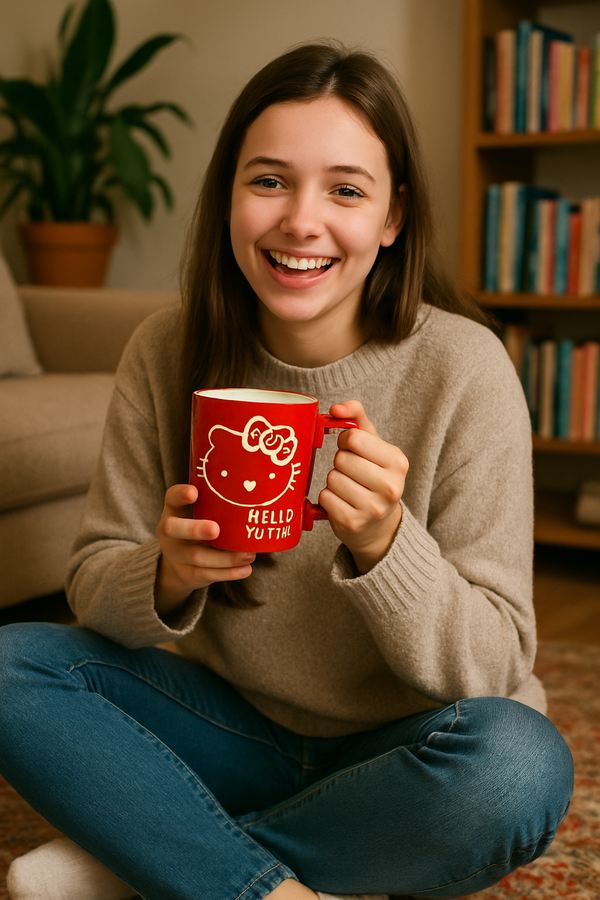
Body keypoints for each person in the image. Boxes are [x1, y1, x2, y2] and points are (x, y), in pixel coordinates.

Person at [0, 41, 573, 900]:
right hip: (225, 732)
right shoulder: (165, 349)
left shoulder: (465, 366)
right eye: (268, 180)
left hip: (401, 748)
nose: (301, 221)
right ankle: (279, 883)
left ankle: (145, 868)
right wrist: (164, 574)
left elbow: (493, 669)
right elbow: (89, 580)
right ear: (229, 196)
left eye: (346, 189)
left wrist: (389, 550)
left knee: (518, 768)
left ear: (392, 217)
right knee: (10, 665)